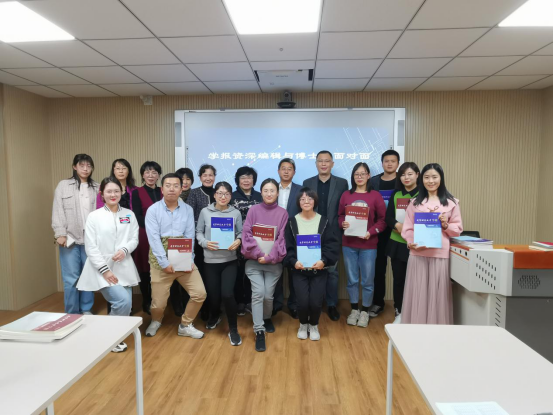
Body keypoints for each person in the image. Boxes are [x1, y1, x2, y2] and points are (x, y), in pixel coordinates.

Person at [77, 177, 140, 353]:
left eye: (116, 191)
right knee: (122, 300)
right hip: (101, 267)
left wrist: (125, 250)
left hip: (124, 265)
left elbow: (134, 238)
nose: (113, 194)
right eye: (109, 191)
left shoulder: (129, 214)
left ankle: (112, 337)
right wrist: (105, 271)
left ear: (122, 192)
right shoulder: (94, 216)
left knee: (126, 305)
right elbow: (91, 247)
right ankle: (108, 336)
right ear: (102, 194)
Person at [144, 173, 207, 338]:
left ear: (181, 189)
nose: (172, 189)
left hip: (183, 258)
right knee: (158, 304)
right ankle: (156, 320)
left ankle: (185, 324)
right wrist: (164, 263)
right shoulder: (153, 210)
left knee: (199, 293)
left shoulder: (188, 209)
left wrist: (189, 260)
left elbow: (189, 236)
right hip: (160, 262)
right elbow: (154, 239)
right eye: (168, 185)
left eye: (176, 185)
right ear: (162, 189)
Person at [401, 163, 463, 324]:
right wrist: (410, 242)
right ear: (421, 179)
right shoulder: (414, 203)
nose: (430, 181)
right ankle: (416, 327)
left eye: (434, 177)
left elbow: (457, 229)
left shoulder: (451, 203)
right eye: (427, 177)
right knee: (418, 293)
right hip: (418, 254)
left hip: (440, 254)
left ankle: (437, 330)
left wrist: (445, 225)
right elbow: (407, 228)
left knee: (438, 295)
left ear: (441, 179)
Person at [284, 188, 339, 341]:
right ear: (298, 202)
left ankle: (314, 325)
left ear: (315, 201)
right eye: (302, 199)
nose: (306, 201)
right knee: (302, 302)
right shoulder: (292, 222)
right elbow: (288, 246)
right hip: (299, 270)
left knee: (315, 302)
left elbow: (331, 245)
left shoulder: (324, 221)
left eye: (309, 198)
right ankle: (303, 324)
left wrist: (324, 261)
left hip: (318, 270)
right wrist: (293, 261)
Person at [241, 178, 288, 352]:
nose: (269, 194)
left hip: (273, 263)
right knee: (258, 293)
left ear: (278, 193)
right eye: (266, 190)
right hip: (254, 262)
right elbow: (246, 235)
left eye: (272, 190)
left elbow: (282, 239)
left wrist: (269, 257)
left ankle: (267, 317)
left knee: (268, 296)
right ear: (261, 192)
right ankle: (259, 329)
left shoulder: (283, 213)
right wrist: (260, 255)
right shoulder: (253, 210)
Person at [339, 162, 386, 328]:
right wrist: (343, 223)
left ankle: (365, 310)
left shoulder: (375, 196)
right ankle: (354, 310)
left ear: (368, 176)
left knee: (367, 280)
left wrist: (370, 232)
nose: (359, 177)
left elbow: (382, 220)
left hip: (369, 245)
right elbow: (340, 216)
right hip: (349, 244)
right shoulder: (346, 195)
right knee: (352, 279)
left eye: (363, 173)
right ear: (353, 176)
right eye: (356, 174)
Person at [303, 151, 349, 321]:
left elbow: (344, 208)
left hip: (333, 233)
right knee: (311, 269)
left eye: (327, 161)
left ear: (332, 164)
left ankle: (331, 304)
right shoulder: (307, 183)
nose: (323, 164)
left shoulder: (342, 183)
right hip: (311, 233)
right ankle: (313, 304)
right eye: (320, 161)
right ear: (316, 163)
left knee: (332, 272)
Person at [196, 181, 243, 346]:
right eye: (220, 193)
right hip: (210, 260)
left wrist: (238, 240)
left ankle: (233, 329)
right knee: (214, 296)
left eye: (227, 194)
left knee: (227, 294)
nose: (223, 197)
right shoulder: (205, 212)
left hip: (229, 260)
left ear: (230, 196)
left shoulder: (235, 213)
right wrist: (204, 243)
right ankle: (215, 315)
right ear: (215, 195)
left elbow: (241, 232)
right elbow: (198, 232)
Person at [52, 154, 98, 314]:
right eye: (82, 165)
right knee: (71, 278)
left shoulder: (97, 187)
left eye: (89, 166)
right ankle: (72, 312)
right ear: (74, 166)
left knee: (88, 276)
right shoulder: (63, 185)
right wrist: (60, 233)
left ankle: (86, 309)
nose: (85, 169)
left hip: (91, 239)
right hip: (69, 238)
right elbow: (58, 210)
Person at [385, 162, 420, 324]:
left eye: (410, 174)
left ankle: (415, 312)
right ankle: (399, 310)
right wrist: (396, 225)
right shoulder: (396, 193)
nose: (406, 177)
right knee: (399, 280)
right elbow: (388, 217)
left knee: (416, 280)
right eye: (403, 174)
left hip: (417, 244)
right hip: (397, 242)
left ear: (417, 175)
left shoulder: (423, 194)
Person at [368, 149, 400, 318]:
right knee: (378, 269)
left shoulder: (403, 181)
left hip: (398, 232)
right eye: (386, 161)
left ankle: (399, 306)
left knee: (398, 271)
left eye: (393, 161)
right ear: (382, 163)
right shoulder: (373, 181)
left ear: (398, 163)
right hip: (378, 231)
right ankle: (378, 302)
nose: (389, 163)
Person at [230, 166, 262, 316]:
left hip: (257, 242)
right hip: (237, 241)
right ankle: (239, 302)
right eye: (243, 177)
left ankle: (250, 301)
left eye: (249, 177)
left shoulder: (260, 196)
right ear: (237, 180)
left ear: (254, 180)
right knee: (238, 272)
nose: (246, 180)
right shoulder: (232, 197)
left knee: (253, 272)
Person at [186, 164, 217, 321]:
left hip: (217, 241)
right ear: (200, 177)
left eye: (211, 175)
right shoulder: (194, 193)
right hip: (199, 241)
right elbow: (189, 216)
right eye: (205, 175)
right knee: (202, 274)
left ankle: (215, 307)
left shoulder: (219, 192)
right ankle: (203, 308)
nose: (208, 178)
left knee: (214, 275)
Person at [131, 161, 162, 315]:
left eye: (154, 172)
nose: (151, 175)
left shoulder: (163, 191)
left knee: (161, 267)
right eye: (147, 172)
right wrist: (154, 227)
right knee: (145, 269)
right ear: (143, 175)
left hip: (164, 235)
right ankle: (147, 300)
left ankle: (160, 300)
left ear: (159, 175)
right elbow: (137, 216)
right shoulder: (137, 192)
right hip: (145, 235)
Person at [273, 158, 302, 318]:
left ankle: (294, 305)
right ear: (278, 171)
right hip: (274, 237)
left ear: (294, 172)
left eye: (289, 168)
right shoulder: (271, 189)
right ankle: (276, 304)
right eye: (283, 168)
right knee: (275, 273)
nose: (286, 171)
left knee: (294, 273)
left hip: (294, 236)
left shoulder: (301, 190)